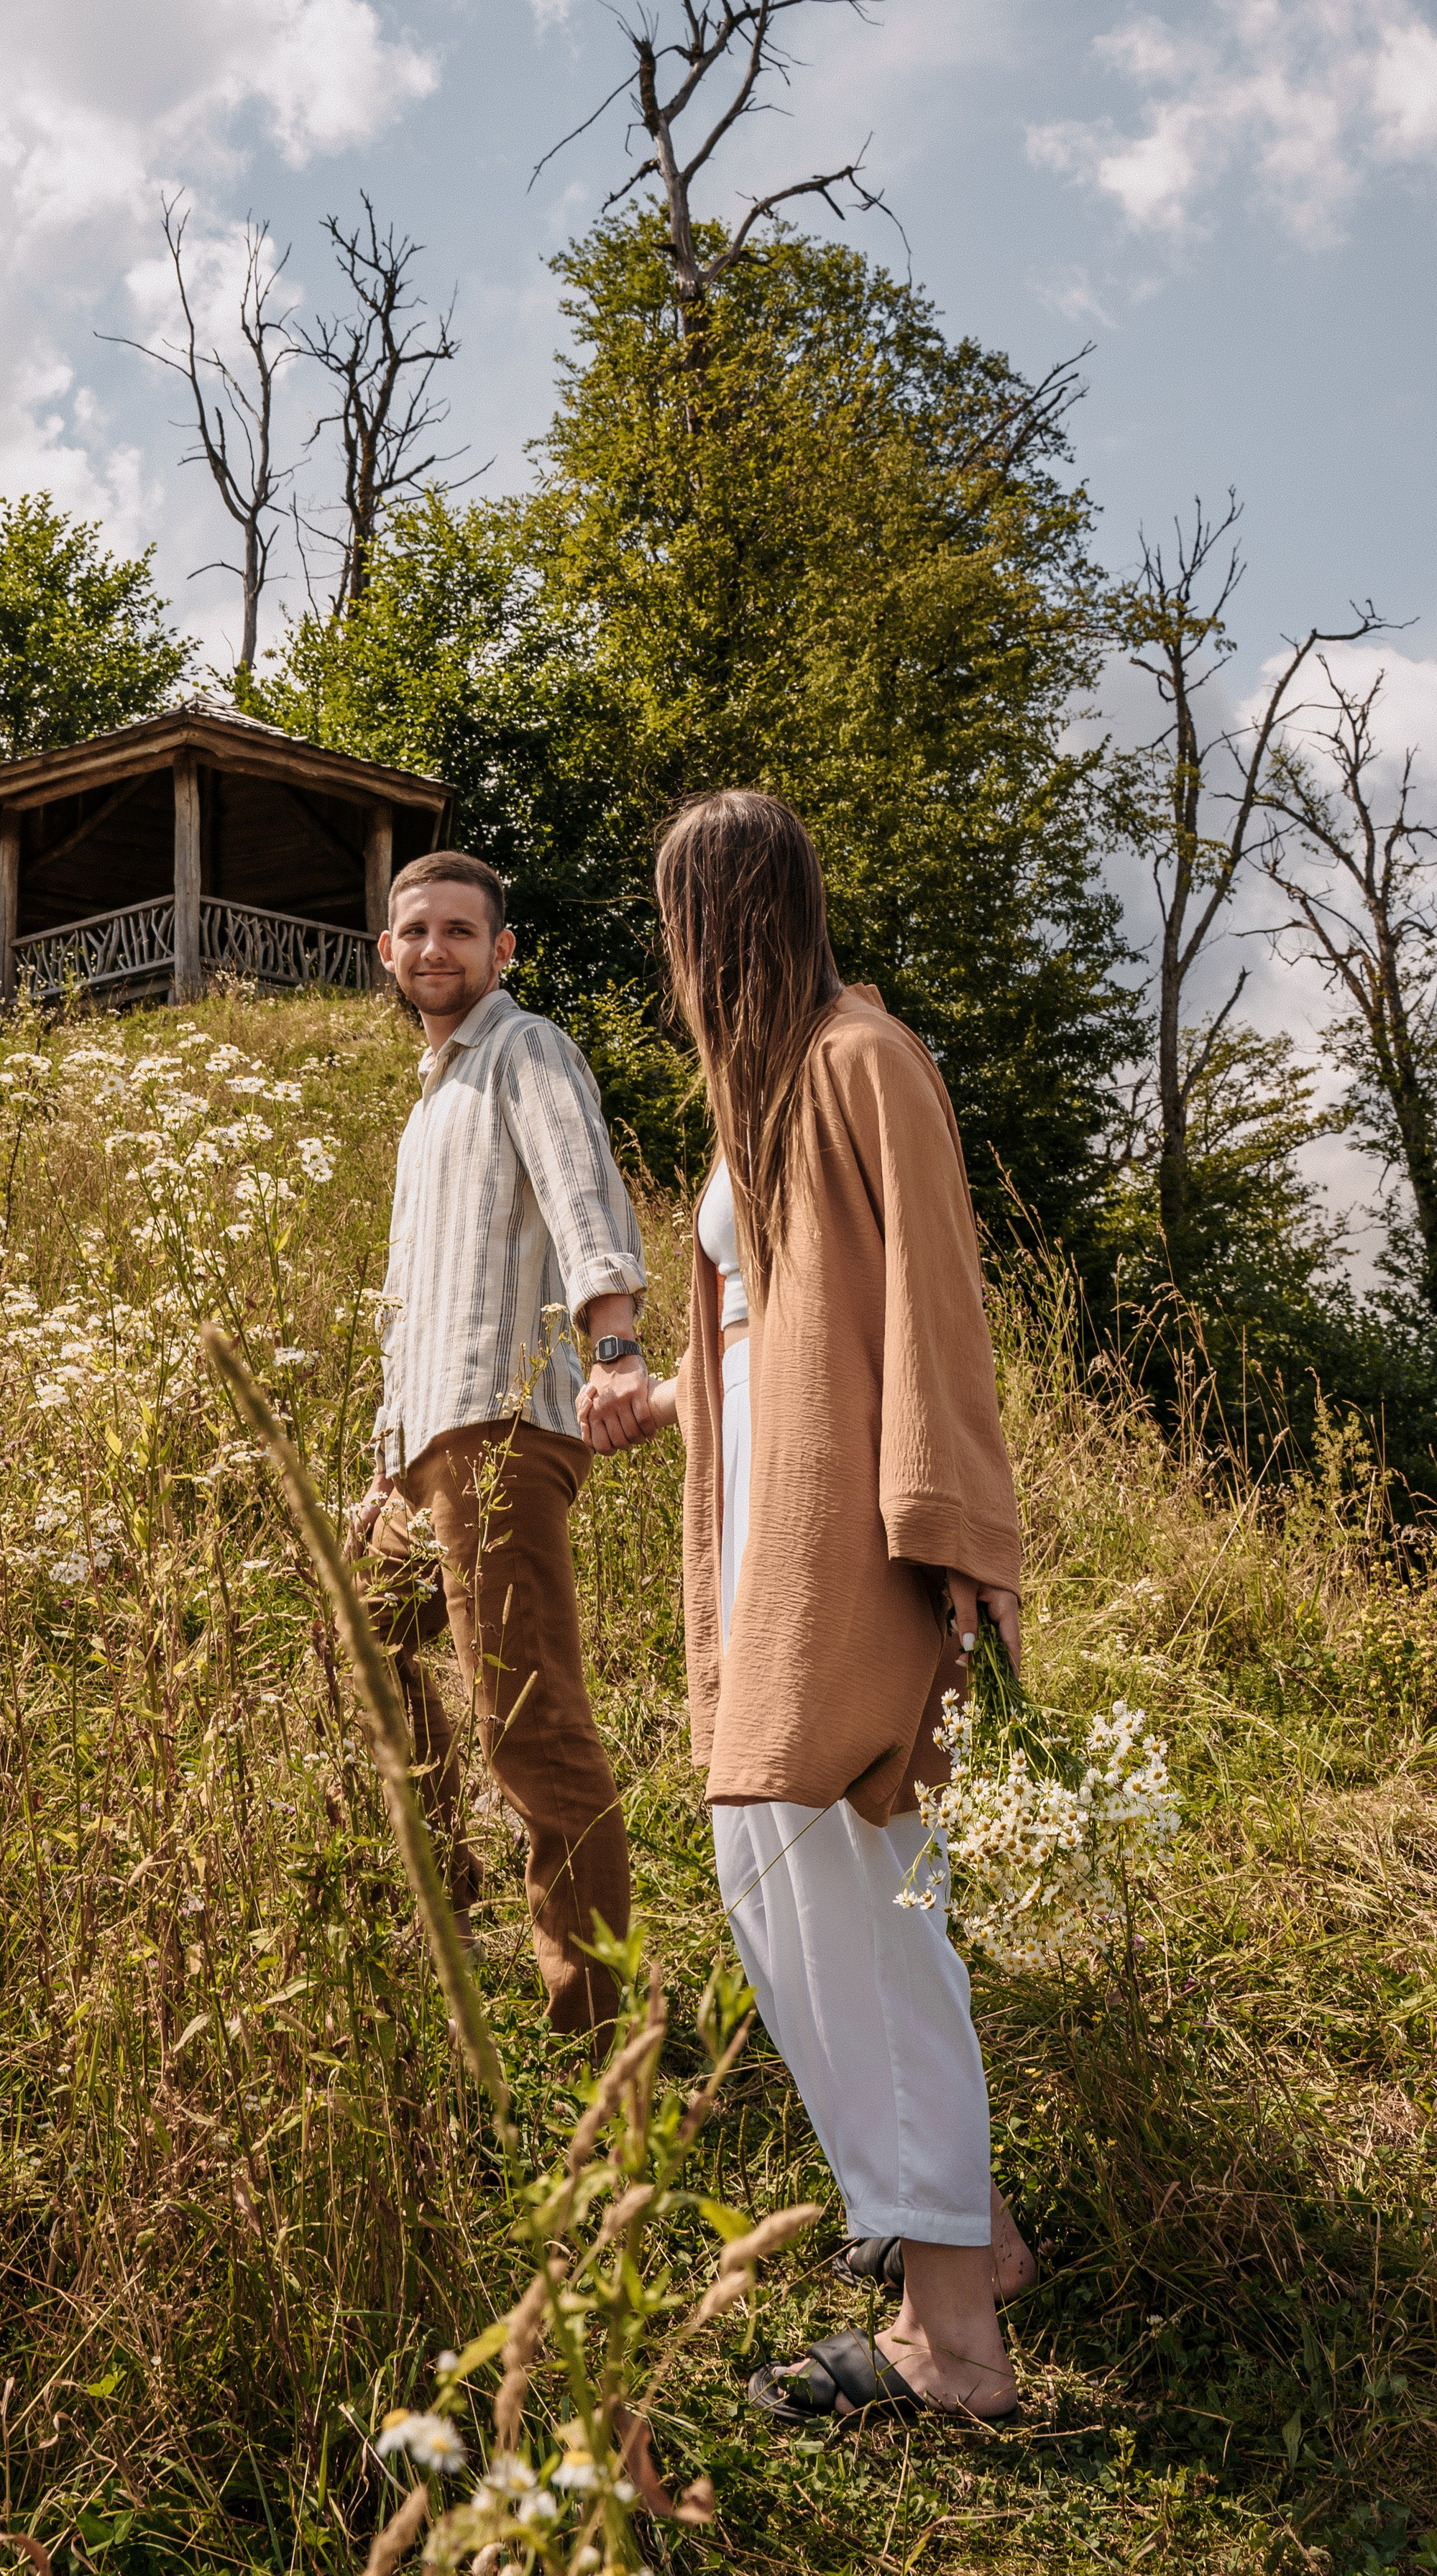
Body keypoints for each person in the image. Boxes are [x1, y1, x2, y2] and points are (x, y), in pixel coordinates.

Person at [582, 788, 1034, 2424]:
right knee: (776, 1874)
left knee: (849, 1888)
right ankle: (967, 2238)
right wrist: (660, 1405)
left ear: (724, 916)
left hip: (852, 1536)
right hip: (765, 1529)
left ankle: (951, 2343)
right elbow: (763, 1340)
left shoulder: (861, 1057)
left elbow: (932, 1299)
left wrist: (955, 1530)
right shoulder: (766, 1092)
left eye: (677, 920)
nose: (672, 956)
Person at [352, 850, 654, 2037]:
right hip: (428, 1443)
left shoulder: (526, 1049)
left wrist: (615, 1347)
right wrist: (385, 1461)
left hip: (504, 1426)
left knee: (529, 1725)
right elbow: (409, 1300)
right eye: (418, 931)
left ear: (502, 950)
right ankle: (451, 1896)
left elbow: (586, 1197)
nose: (437, 949)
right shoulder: (430, 1102)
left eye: (462, 931)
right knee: (358, 1640)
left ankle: (597, 2027)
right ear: (388, 950)